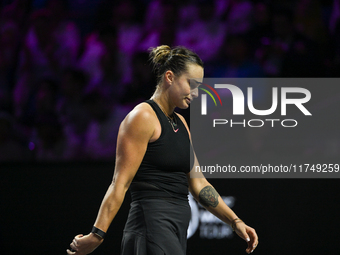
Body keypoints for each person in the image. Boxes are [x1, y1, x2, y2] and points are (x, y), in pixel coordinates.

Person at [67, 45, 258, 255]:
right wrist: (97, 234)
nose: (196, 93)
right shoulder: (142, 117)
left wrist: (234, 221)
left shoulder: (182, 124)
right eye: (191, 85)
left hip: (175, 227)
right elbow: (120, 183)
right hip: (151, 225)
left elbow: (199, 183)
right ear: (169, 77)